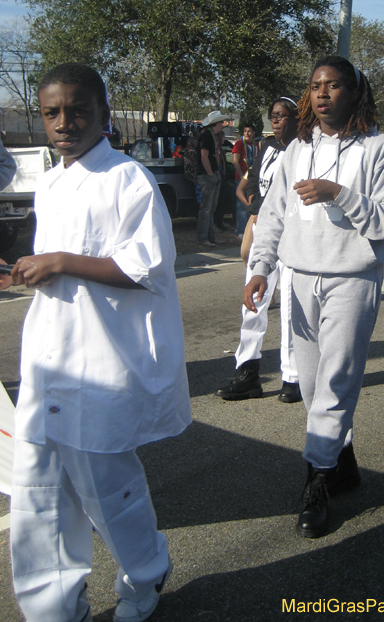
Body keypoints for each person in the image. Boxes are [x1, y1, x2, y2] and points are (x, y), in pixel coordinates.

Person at [7, 64, 191, 622]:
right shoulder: (53, 178)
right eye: (52, 112)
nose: (65, 122)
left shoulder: (126, 177)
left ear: (105, 115)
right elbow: (54, 262)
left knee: (106, 489)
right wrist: (29, 270)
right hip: (48, 354)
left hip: (101, 358)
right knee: (38, 492)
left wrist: (61, 262)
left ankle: (146, 572)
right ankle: (54, 608)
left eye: (78, 109)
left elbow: (147, 266)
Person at [244, 55, 384, 538]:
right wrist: (260, 268)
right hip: (300, 276)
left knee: (335, 380)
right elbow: (273, 214)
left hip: (352, 278)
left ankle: (316, 481)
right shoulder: (297, 148)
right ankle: (345, 462)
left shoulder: (378, 147)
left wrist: (340, 192)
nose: (322, 94)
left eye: (334, 86)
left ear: (354, 93)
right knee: (312, 384)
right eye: (315, 85)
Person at [217, 96, 301, 403]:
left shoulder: (305, 150)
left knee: (292, 307)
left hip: (293, 234)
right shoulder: (267, 148)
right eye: (273, 116)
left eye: (283, 116)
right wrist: (255, 210)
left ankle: (293, 376)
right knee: (253, 302)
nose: (277, 121)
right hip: (265, 231)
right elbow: (253, 182)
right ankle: (248, 371)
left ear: (297, 118)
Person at [196, 110, 228, 246]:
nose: (222, 125)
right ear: (217, 123)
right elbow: (204, 157)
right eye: (221, 122)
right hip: (207, 176)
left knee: (211, 209)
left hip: (215, 173)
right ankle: (203, 238)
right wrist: (210, 174)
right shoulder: (207, 137)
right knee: (206, 208)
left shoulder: (213, 137)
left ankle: (211, 237)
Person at [232, 123, 259, 236]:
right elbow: (235, 161)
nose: (247, 133)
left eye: (249, 131)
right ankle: (240, 231)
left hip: (252, 179)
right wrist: (241, 176)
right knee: (241, 206)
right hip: (242, 178)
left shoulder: (256, 145)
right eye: (245, 131)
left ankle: (249, 231)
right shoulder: (239, 144)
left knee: (251, 204)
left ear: (253, 133)